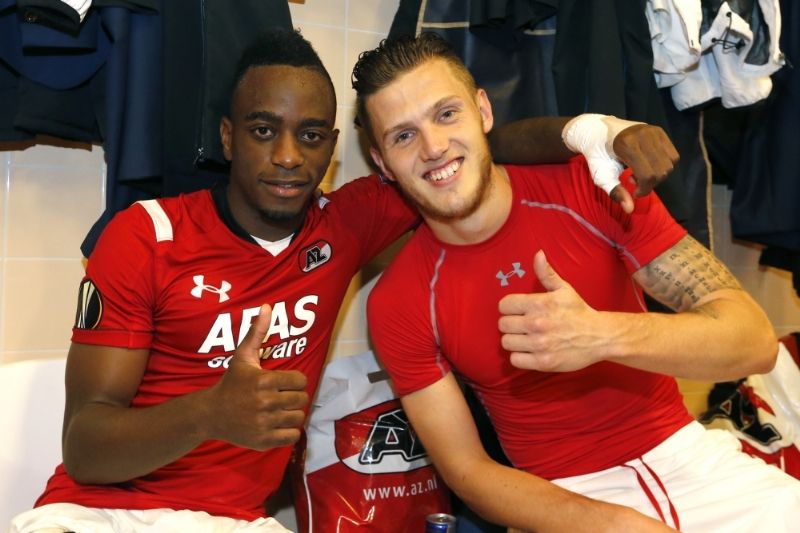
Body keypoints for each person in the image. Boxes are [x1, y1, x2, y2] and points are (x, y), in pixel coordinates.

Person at [8, 28, 679, 533]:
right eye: (264, 130)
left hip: (234, 523)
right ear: (229, 137)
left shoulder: (344, 224)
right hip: (97, 513)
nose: (286, 157)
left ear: (333, 149)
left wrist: (598, 131)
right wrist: (208, 412)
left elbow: (471, 147)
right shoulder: (148, 235)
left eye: (309, 136)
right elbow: (84, 447)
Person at [358, 33, 800, 533]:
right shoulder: (399, 299)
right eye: (403, 136)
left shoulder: (591, 187)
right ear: (382, 164)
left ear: (482, 111)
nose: (434, 148)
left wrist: (600, 336)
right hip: (564, 499)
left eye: (446, 114)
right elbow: (468, 471)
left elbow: (754, 342)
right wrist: (613, 525)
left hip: (694, 461)